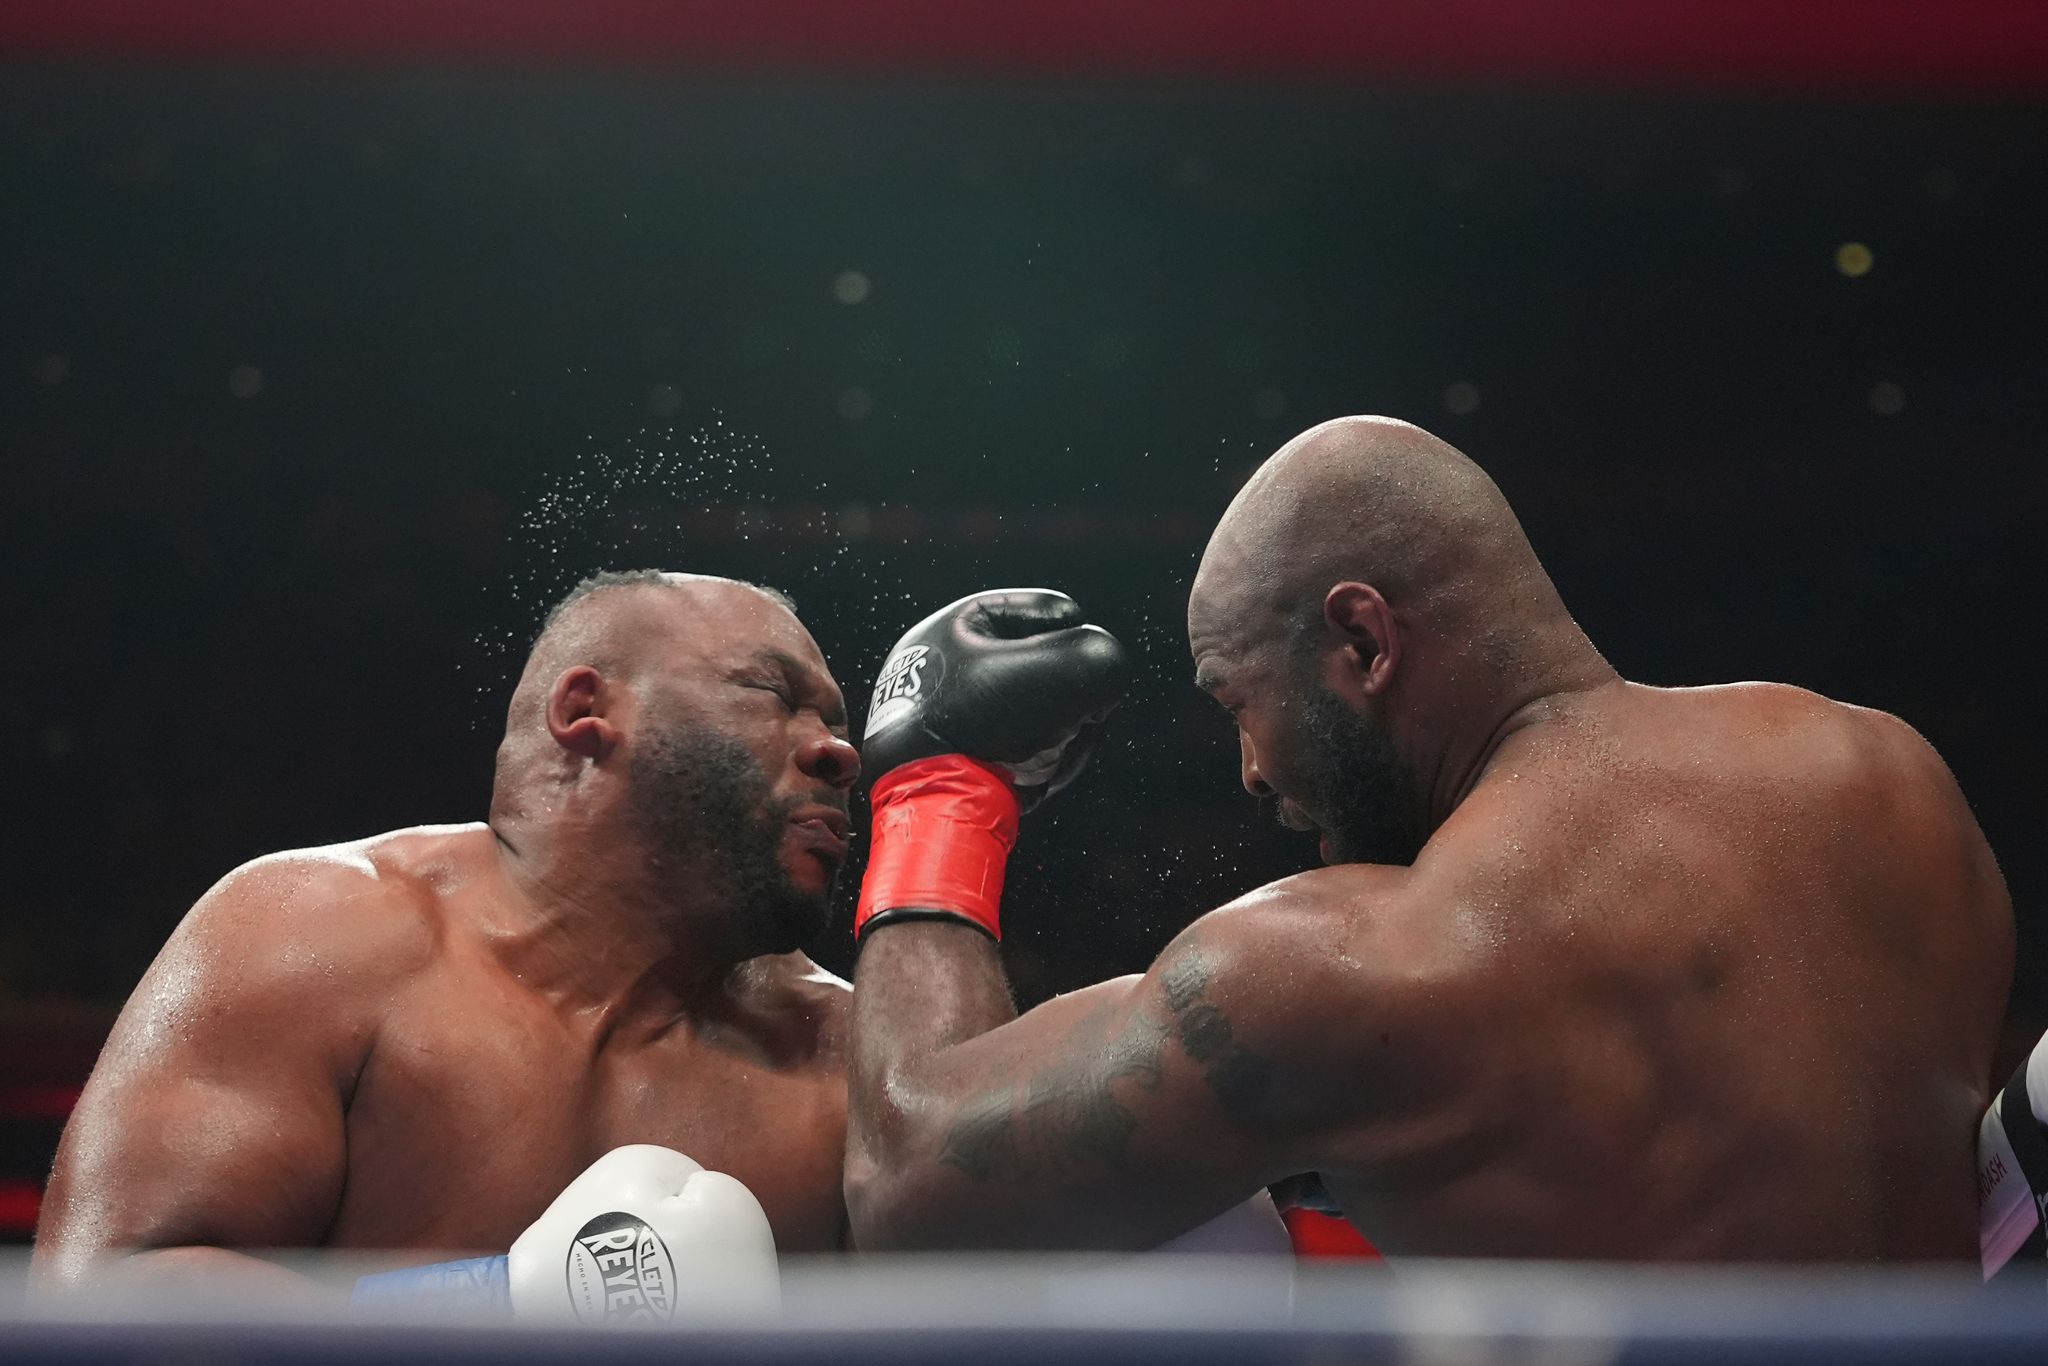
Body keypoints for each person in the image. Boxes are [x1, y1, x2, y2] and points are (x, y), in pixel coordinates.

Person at [843, 415, 2013, 1260]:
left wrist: (936, 792)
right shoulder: (1885, 777)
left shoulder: (1347, 968)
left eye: (1237, 700)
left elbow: (907, 1182)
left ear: (1361, 642)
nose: (1248, 769)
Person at [36, 571, 861, 1296]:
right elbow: (106, 1300)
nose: (839, 753)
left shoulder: (843, 1059)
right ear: (585, 710)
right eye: (773, 695)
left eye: (839, 722)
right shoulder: (321, 934)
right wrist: (492, 1308)